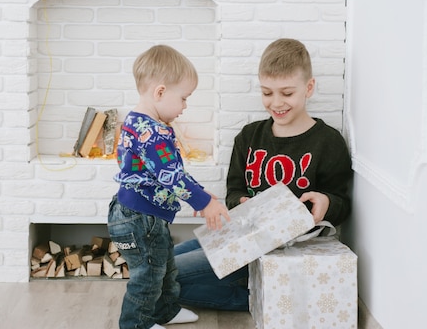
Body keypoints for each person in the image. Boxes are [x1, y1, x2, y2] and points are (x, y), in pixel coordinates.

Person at [174, 38, 353, 311]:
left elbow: (342, 202)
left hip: (284, 249)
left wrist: (327, 203)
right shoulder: (249, 136)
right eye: (267, 93)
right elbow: (234, 190)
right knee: (158, 264)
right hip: (240, 236)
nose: (276, 102)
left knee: (161, 276)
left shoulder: (328, 142)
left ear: (309, 87)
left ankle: (257, 297)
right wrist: (241, 202)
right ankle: (254, 292)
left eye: (287, 93)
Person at [108, 45, 231, 329]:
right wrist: (203, 202)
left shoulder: (136, 123)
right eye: (184, 98)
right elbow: (171, 176)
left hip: (147, 213)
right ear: (160, 92)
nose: (185, 106)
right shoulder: (153, 133)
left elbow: (169, 172)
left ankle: (166, 311)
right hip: (139, 217)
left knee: (165, 266)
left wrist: (202, 192)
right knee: (149, 273)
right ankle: (135, 323)